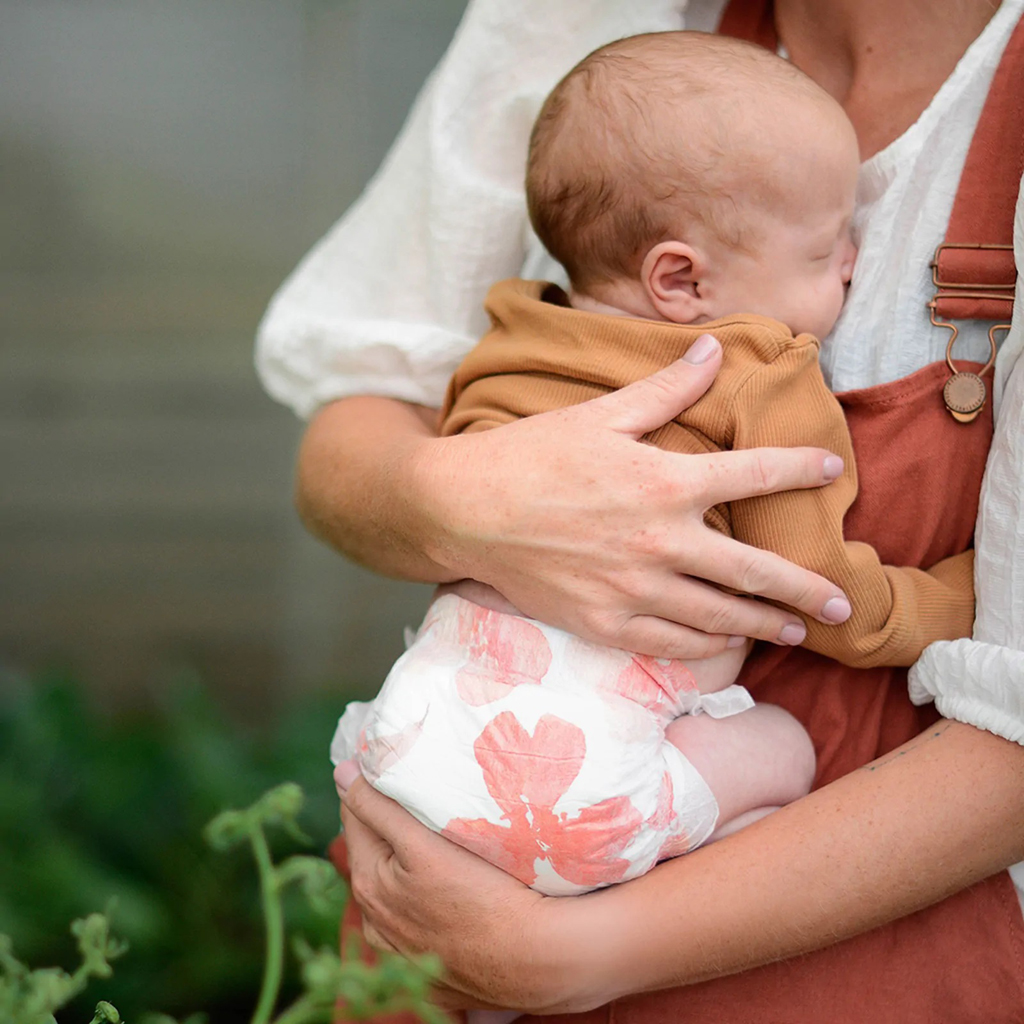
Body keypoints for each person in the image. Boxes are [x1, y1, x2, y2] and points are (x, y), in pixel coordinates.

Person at [257, 0, 1024, 1018]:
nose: (852, 255)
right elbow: (821, 591)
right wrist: (941, 604)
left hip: (429, 769)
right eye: (828, 246)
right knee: (778, 751)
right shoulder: (757, 370)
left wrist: (552, 954)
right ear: (680, 278)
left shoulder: (515, 329)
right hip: (596, 803)